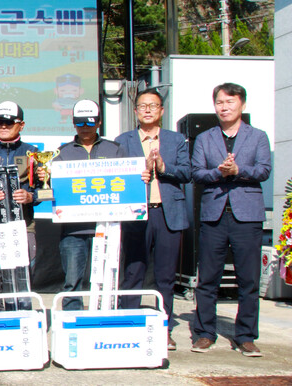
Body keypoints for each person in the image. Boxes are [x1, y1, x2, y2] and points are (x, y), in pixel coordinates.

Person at [190, 83, 271, 357]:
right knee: (208, 278)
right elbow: (197, 173)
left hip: (246, 216)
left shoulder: (258, 136)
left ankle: (246, 336)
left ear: (242, 105)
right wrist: (218, 172)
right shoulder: (205, 138)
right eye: (219, 103)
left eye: (230, 102)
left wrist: (238, 170)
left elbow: (264, 170)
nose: (224, 107)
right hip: (214, 214)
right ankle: (204, 333)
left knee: (248, 279)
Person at [114, 89, 190, 351]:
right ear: (135, 111)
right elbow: (117, 176)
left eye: (153, 106)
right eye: (142, 106)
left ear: (162, 111)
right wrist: (139, 174)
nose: (147, 110)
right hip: (137, 214)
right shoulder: (123, 140)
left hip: (168, 214)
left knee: (166, 276)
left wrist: (163, 168)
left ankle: (163, 327)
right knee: (133, 271)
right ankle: (128, 323)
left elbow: (187, 172)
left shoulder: (176, 140)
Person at [45, 99, 126, 311]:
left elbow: (127, 183)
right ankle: (73, 318)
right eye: (80, 123)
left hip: (108, 225)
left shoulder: (116, 149)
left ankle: (107, 315)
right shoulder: (61, 152)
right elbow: (55, 188)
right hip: (74, 228)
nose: (85, 128)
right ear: (73, 123)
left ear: (99, 123)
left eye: (90, 123)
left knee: (109, 277)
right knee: (73, 280)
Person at [0, 101, 38, 312]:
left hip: (24, 226)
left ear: (21, 125)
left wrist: (31, 196)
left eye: (9, 122)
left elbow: (46, 189)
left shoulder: (33, 152)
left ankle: (23, 324)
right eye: (0, 122)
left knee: (23, 280)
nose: (3, 126)